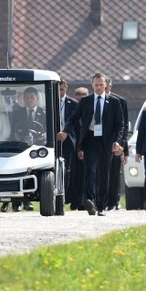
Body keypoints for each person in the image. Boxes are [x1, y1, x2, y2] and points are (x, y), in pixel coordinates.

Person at [66, 73, 125, 216]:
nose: (98, 87)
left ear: (105, 85)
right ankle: (90, 200)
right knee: (90, 169)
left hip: (107, 140)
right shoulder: (86, 101)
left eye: (101, 85)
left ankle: (101, 206)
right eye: (96, 85)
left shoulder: (114, 102)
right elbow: (73, 118)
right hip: (91, 138)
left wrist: (118, 141)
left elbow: (120, 124)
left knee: (104, 173)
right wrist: (65, 131)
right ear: (92, 85)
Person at [3, 86, 44, 212]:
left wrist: (41, 137)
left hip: (38, 147)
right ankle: (17, 203)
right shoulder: (17, 113)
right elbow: (13, 130)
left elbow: (48, 131)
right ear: (23, 99)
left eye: (31, 97)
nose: (29, 99)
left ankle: (29, 201)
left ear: (37, 98)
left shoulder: (44, 113)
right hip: (20, 147)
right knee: (18, 172)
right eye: (26, 97)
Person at [103, 76, 129, 211]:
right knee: (101, 173)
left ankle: (114, 201)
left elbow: (124, 126)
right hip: (100, 143)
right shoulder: (94, 101)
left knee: (115, 173)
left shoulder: (120, 101)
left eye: (106, 85)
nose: (104, 88)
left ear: (110, 86)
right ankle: (102, 200)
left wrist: (123, 147)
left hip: (115, 143)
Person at [55, 81, 79, 210]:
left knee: (67, 169)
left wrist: (66, 133)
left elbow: (76, 123)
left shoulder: (73, 104)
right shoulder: (50, 102)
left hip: (68, 140)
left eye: (62, 90)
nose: (60, 93)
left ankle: (65, 195)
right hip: (54, 140)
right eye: (58, 90)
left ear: (66, 89)